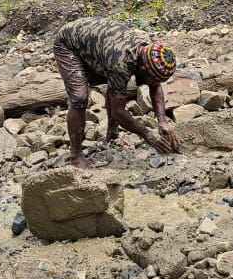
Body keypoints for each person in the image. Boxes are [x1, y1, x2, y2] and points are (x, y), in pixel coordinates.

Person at [53, 17, 180, 168]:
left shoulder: (147, 53)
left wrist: (162, 121)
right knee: (79, 97)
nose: (152, 83)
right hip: (68, 44)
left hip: (98, 43)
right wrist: (148, 135)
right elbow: (118, 112)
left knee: (116, 87)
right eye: (150, 79)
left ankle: (112, 135)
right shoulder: (121, 63)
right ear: (143, 69)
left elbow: (155, 85)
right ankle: (76, 156)